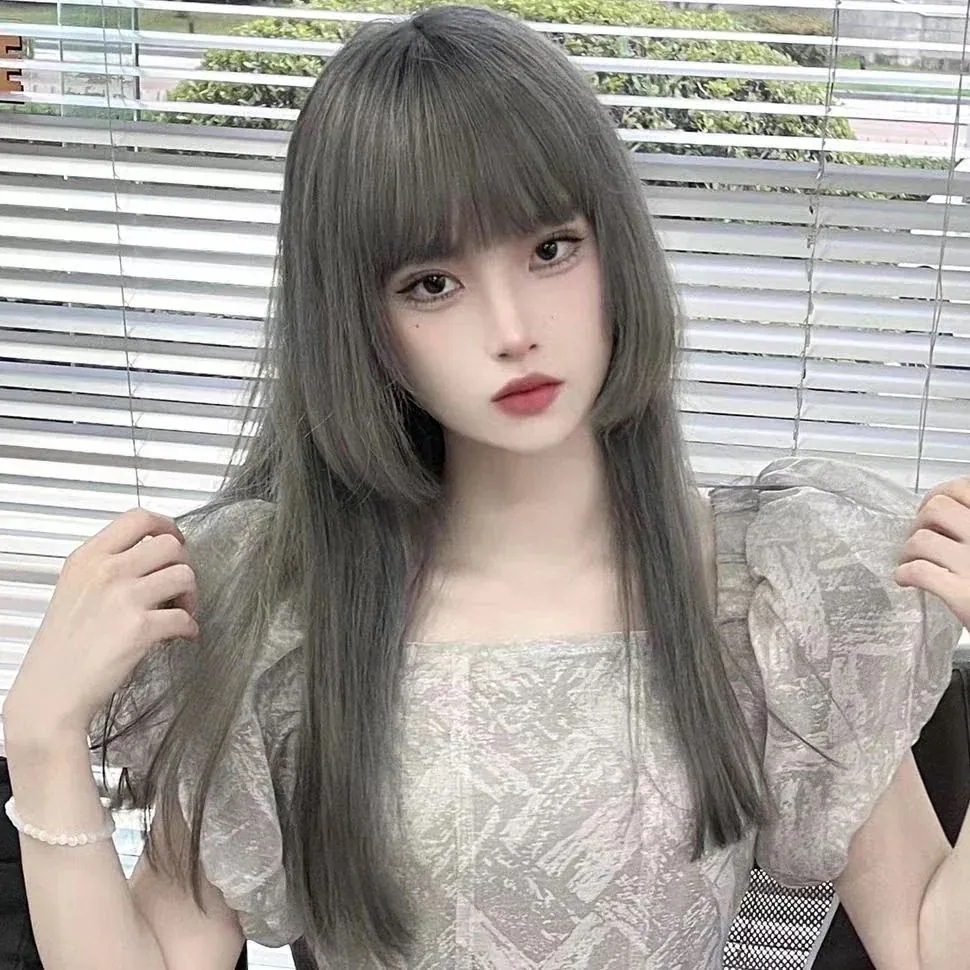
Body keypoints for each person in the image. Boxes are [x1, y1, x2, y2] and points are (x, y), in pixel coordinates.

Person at [4, 5, 969, 969]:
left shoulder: (771, 593)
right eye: (431, 283)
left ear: (615, 247)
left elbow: (929, 948)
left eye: (551, 249)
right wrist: (43, 746)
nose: (512, 330)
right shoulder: (284, 616)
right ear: (358, 320)